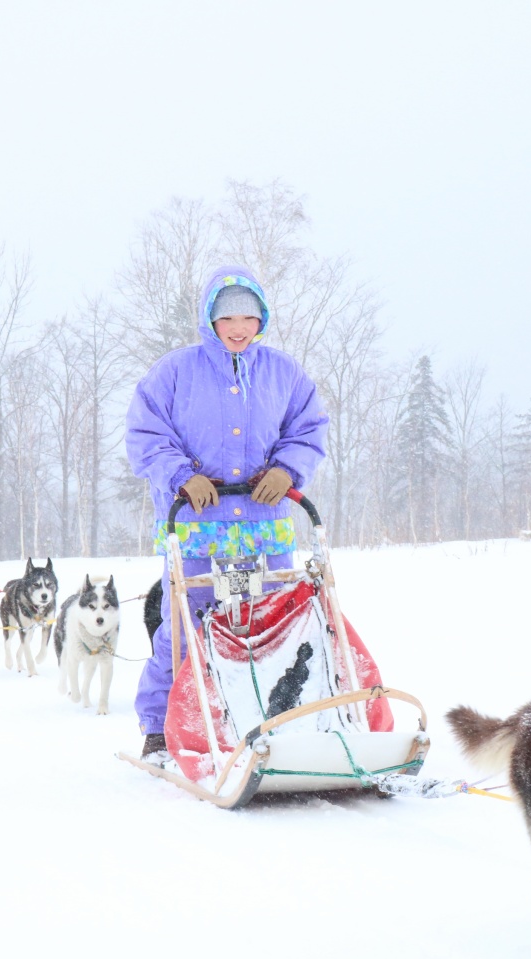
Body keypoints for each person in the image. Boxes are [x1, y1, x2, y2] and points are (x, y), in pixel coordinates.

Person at [125, 265, 328, 761]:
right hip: (197, 526)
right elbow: (145, 434)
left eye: (249, 316)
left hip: (265, 526)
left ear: (262, 319)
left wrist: (287, 469)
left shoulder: (284, 373)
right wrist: (181, 475)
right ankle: (160, 724)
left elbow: (309, 428)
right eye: (227, 316)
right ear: (209, 319)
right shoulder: (175, 372)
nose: (239, 326)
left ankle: (275, 713)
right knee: (187, 624)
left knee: (275, 624)